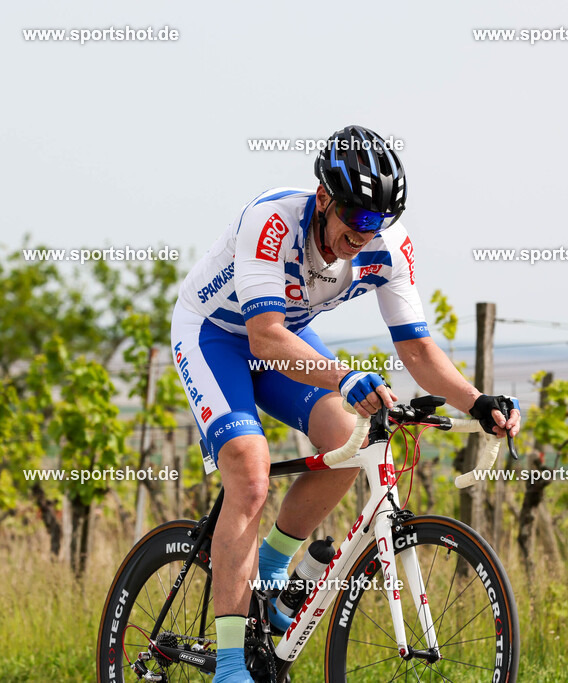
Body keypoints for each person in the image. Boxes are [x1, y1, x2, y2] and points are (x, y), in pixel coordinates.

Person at [170, 125, 521, 682]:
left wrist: (477, 402)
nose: (364, 235)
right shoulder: (273, 222)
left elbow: (416, 347)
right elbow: (263, 337)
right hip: (217, 334)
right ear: (324, 196)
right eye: (355, 219)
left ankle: (271, 571)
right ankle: (231, 666)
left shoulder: (386, 244)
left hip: (289, 336)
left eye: (376, 223)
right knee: (251, 471)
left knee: (353, 438)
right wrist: (345, 375)